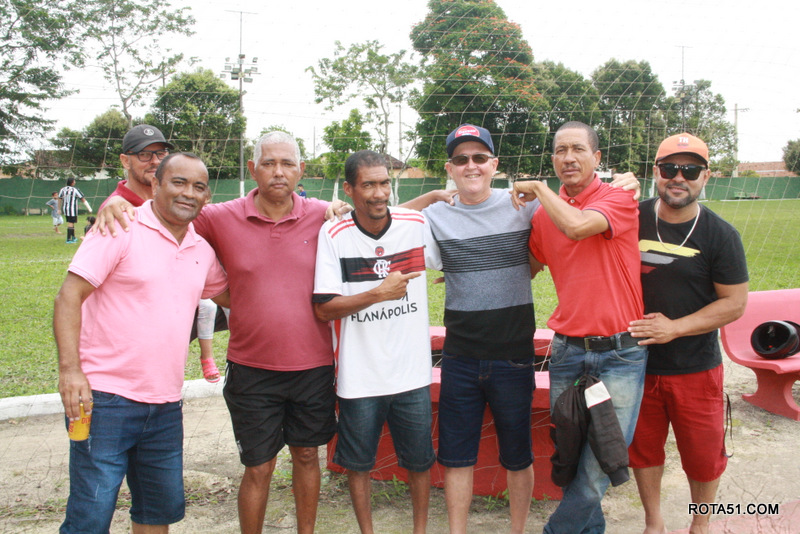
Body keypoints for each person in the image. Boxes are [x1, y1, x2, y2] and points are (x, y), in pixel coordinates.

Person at [94, 131, 452, 534]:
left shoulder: (323, 215)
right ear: (253, 169)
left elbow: (379, 213)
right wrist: (119, 202)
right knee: (259, 467)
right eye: (268, 163)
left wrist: (431, 198)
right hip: (251, 368)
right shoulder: (220, 216)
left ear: (301, 170)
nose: (278, 172)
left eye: (287, 164)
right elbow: (169, 210)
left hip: (313, 366)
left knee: (307, 456)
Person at [53, 152, 229, 533]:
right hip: (104, 401)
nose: (188, 193)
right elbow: (68, 297)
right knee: (90, 517)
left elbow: (235, 295)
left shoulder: (201, 250)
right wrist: (70, 371)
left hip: (165, 406)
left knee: (156, 514)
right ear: (155, 184)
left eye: (198, 186)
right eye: (178, 182)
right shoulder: (120, 226)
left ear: (207, 196)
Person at [512, 121, 646, 534]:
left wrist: (540, 189)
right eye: (560, 151)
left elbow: (578, 225)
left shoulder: (617, 197)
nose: (568, 158)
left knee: (601, 462)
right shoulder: (542, 217)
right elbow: (527, 267)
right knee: (571, 458)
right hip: (568, 352)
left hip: (621, 353)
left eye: (577, 149)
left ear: (597, 157)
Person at [626, 133, 749, 534]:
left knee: (703, 455)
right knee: (643, 450)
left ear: (705, 177)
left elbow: (734, 303)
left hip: (695, 367)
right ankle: (654, 523)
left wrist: (674, 328)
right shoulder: (629, 218)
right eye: (669, 168)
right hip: (634, 363)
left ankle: (700, 525)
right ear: (655, 172)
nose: (678, 177)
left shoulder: (720, 235)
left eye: (691, 170)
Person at [422, 124, 539, 534]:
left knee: (518, 456)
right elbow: (385, 218)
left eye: (479, 158)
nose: (470, 166)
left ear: (494, 164)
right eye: (460, 159)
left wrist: (625, 184)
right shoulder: (435, 215)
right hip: (460, 357)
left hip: (514, 356)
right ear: (449, 169)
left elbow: (575, 213)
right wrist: (430, 196)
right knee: (456, 458)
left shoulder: (523, 206)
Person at [313, 150, 436, 534]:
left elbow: (453, 249)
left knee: (420, 463)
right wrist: (378, 293)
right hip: (360, 378)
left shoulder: (415, 224)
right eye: (368, 185)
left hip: (412, 374)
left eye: (384, 183)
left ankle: (420, 530)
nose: (379, 193)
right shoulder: (334, 233)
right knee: (359, 465)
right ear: (349, 190)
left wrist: (436, 196)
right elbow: (324, 308)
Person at [102, 124, 174, 208]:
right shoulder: (116, 210)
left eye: (160, 154)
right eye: (144, 154)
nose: (155, 161)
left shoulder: (173, 200)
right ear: (126, 161)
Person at [58, 177, 92, 244]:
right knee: (70, 223)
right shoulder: (75, 190)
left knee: (71, 223)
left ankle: (73, 237)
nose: (75, 182)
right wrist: (89, 208)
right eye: (74, 181)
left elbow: (59, 199)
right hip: (72, 209)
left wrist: (59, 208)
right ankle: (68, 239)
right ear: (72, 182)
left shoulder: (62, 189)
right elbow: (82, 199)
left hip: (65, 209)